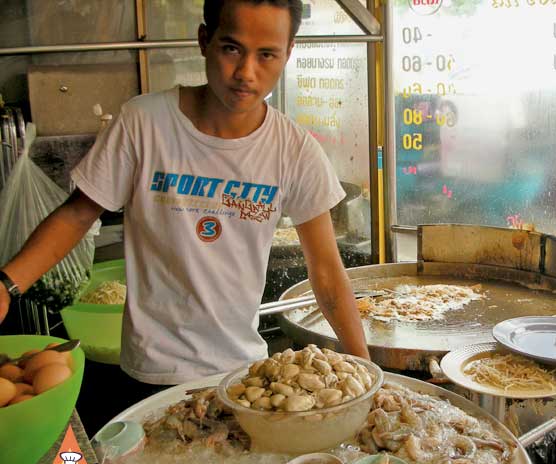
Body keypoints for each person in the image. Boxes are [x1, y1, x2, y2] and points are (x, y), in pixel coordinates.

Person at [0, 0, 370, 389]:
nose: (246, 72)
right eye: (232, 49)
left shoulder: (293, 149)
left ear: (288, 53)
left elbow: (327, 274)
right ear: (204, 40)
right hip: (150, 372)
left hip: (244, 377)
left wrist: (367, 373)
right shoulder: (144, 123)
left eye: (266, 55)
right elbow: (78, 215)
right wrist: (8, 284)